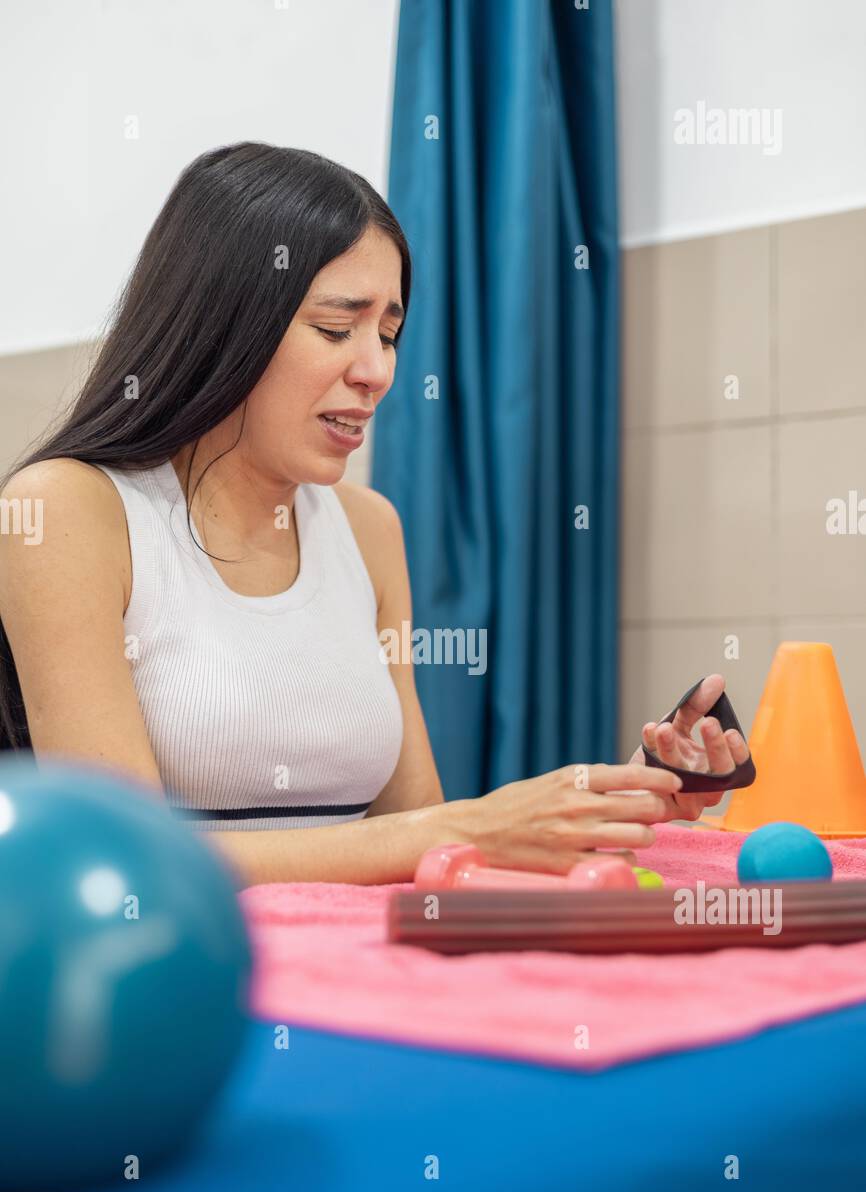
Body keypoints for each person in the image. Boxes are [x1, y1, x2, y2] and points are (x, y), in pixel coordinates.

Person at [0, 143, 750, 886]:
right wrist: (461, 827)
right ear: (223, 324)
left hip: (350, 978)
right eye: (336, 329)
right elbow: (123, 859)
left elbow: (416, 830)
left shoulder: (368, 528)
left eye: (388, 335)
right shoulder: (65, 511)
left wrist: (618, 799)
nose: (378, 371)